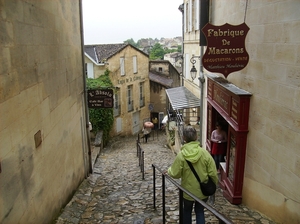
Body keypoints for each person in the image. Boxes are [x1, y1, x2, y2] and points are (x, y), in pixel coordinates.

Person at [166, 126, 218, 224]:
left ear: (184, 138)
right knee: (199, 211)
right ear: (196, 137)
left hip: (187, 192)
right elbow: (213, 173)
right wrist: (213, 184)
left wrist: (168, 170)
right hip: (202, 191)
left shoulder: (181, 155)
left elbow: (175, 173)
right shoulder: (205, 153)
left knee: (187, 211)